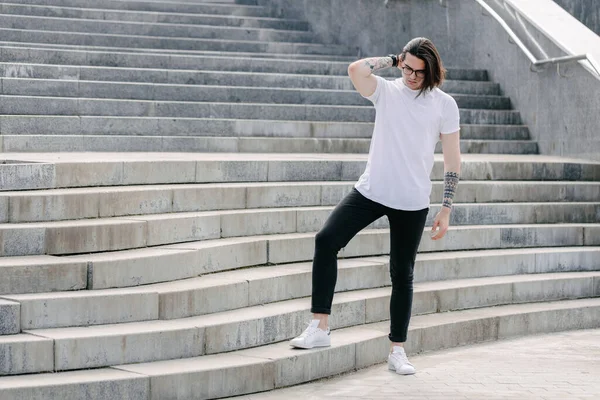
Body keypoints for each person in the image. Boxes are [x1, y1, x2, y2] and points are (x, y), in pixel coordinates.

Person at [289, 37, 462, 375]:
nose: (411, 76)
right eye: (408, 68)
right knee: (326, 240)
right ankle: (320, 327)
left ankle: (398, 350)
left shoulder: (444, 104)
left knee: (402, 272)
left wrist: (446, 207)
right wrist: (392, 60)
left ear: (432, 71)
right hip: (371, 190)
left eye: (419, 71)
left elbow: (453, 159)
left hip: (412, 200)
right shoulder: (387, 90)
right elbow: (355, 70)